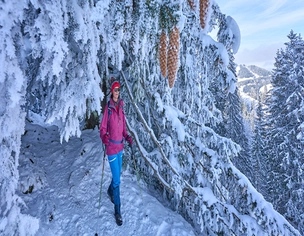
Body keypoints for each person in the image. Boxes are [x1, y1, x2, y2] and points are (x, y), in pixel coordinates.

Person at [100, 80, 133, 226]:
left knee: (116, 177)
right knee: (118, 181)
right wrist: (104, 137)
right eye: (115, 90)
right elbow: (102, 129)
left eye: (118, 90)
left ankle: (109, 191)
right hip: (112, 150)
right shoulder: (108, 109)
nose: (117, 92)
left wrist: (128, 137)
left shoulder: (121, 108)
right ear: (111, 92)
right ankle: (117, 211)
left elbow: (124, 130)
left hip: (120, 149)